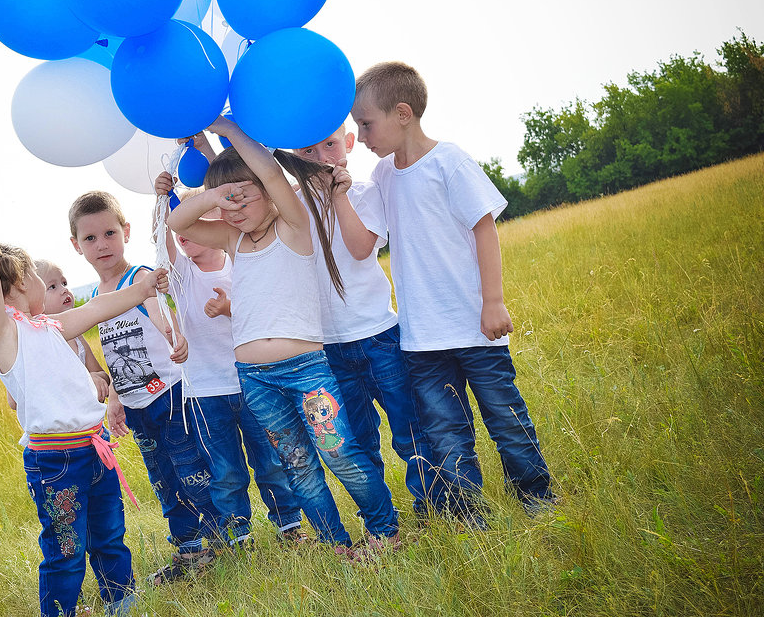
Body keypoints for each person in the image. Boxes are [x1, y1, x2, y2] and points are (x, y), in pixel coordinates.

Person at [167, 116, 401, 558]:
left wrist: (231, 131)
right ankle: (337, 545)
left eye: (243, 195)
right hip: (254, 378)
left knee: (340, 453)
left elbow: (273, 173)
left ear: (271, 192)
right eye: (225, 202)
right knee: (298, 466)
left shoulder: (293, 226)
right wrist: (214, 196)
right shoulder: (233, 239)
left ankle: (383, 530)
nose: (234, 208)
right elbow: (183, 221)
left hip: (305, 370)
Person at [353, 61, 555, 527]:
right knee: (445, 431)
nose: (362, 136)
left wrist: (493, 301)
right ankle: (469, 516)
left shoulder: (449, 162)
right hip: (422, 338)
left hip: (474, 324)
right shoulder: (383, 176)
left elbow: (485, 229)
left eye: (366, 124)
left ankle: (536, 497)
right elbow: (370, 237)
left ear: (403, 113)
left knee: (504, 418)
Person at [0, 175, 161, 617]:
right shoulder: (6, 336)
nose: (39, 279)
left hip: (95, 448)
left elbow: (94, 309)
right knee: (66, 548)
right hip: (55, 460)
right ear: (10, 289)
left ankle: (120, 602)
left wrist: (142, 290)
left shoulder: (49, 328)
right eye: (31, 274)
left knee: (108, 535)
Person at [68, 190, 223, 584]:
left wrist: (172, 335)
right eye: (90, 238)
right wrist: (116, 398)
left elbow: (156, 310)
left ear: (126, 231)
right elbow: (114, 349)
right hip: (136, 403)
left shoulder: (137, 278)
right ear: (76, 245)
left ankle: (223, 539)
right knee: (162, 479)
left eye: (108, 233)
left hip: (168, 395)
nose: (101, 244)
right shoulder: (96, 297)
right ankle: (188, 551)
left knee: (190, 469)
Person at [153, 159, 306, 549]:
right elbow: (165, 235)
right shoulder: (183, 275)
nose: (187, 236)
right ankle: (239, 533)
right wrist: (162, 199)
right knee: (225, 470)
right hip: (205, 391)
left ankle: (289, 523)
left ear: (216, 221)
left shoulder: (239, 258)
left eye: (201, 219)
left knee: (269, 459)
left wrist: (229, 309)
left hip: (250, 381)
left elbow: (258, 312)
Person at [293, 125, 442, 520]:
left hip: (378, 336)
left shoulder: (363, 192)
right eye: (307, 150)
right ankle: (378, 515)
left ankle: (434, 506)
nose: (323, 157)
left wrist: (339, 196)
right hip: (328, 347)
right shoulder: (292, 205)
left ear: (349, 142)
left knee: (410, 428)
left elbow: (361, 249)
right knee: (356, 437)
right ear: (292, 154)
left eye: (330, 144)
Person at [3, 260, 111, 415]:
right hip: (56, 434)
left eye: (64, 283)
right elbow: (14, 400)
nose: (64, 290)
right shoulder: (29, 342)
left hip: (90, 426)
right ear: (32, 296)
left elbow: (101, 374)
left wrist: (94, 378)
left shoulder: (77, 338)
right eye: (52, 287)